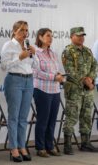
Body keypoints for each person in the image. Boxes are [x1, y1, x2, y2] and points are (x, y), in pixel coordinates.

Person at [1, 20, 35, 162]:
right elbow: (4, 65)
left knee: (23, 118)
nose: (24, 33)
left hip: (29, 80)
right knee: (14, 117)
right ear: (14, 31)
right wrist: (19, 57)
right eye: (21, 30)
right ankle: (13, 148)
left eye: (26, 30)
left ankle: (22, 146)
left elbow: (34, 65)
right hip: (14, 80)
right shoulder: (8, 45)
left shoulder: (27, 45)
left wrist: (33, 54)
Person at [61, 26, 98, 154]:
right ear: (72, 36)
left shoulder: (88, 51)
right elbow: (69, 70)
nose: (81, 38)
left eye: (82, 35)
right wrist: (84, 80)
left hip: (87, 90)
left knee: (86, 116)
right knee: (71, 117)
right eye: (78, 35)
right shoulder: (68, 51)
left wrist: (91, 78)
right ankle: (67, 145)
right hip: (75, 89)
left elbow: (95, 65)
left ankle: (85, 143)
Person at [33, 28, 64, 157]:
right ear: (40, 37)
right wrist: (53, 77)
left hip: (55, 90)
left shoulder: (53, 53)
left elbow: (57, 69)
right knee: (43, 119)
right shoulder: (35, 52)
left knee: (52, 120)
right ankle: (40, 148)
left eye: (52, 36)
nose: (50, 38)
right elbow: (36, 72)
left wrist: (60, 76)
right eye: (47, 35)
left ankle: (50, 146)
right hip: (42, 90)